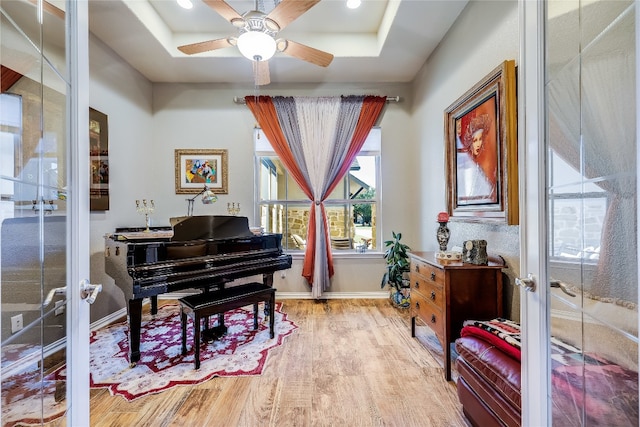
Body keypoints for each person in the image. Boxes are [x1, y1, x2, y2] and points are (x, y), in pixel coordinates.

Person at [457, 113, 496, 203]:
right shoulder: (468, 167)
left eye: (480, 139)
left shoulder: (482, 167)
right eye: (475, 140)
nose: (478, 144)